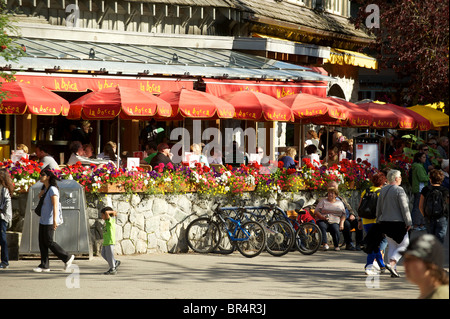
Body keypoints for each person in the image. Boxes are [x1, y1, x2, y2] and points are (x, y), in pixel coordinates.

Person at [33, 169, 75, 273]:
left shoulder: (53, 189)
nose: (40, 176)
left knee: (49, 241)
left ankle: (67, 257)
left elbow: (55, 205)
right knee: (42, 242)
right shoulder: (46, 189)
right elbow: (40, 197)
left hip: (50, 220)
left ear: (48, 177)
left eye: (42, 175)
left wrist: (55, 220)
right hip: (43, 219)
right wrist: (42, 193)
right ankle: (44, 265)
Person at [375, 169, 412, 277]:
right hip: (397, 222)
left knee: (392, 245)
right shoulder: (399, 190)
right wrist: (409, 222)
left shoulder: (383, 190)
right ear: (396, 178)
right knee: (405, 245)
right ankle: (392, 263)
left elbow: (379, 208)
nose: (401, 179)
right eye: (400, 177)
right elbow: (404, 208)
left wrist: (378, 220)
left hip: (385, 222)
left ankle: (393, 270)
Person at [359, 172, 388, 275]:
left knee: (374, 244)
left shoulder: (366, 191)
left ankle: (381, 265)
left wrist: (359, 220)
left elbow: (360, 206)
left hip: (366, 220)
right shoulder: (382, 192)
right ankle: (369, 266)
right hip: (376, 221)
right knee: (374, 244)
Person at [402, 234, 449, 299]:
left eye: (411, 259)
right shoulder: (429, 294)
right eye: (406, 259)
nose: (404, 263)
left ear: (431, 265)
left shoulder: (439, 296)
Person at [419, 169, 449, 243]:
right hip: (442, 217)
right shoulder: (445, 190)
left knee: (430, 240)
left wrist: (425, 215)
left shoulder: (425, 189)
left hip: (429, 217)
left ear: (430, 179)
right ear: (441, 179)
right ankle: (438, 253)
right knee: (440, 240)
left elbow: (420, 206)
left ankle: (431, 254)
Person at [314, 186, 346, 251]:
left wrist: (342, 223)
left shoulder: (340, 203)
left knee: (335, 229)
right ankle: (325, 244)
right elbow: (316, 211)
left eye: (332, 193)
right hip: (323, 219)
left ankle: (336, 245)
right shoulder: (323, 201)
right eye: (329, 193)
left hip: (335, 220)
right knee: (322, 226)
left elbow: (343, 214)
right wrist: (322, 217)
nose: (330, 194)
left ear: (336, 195)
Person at [411, 152, 429, 231]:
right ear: (419, 158)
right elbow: (422, 178)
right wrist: (429, 175)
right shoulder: (418, 167)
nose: (425, 159)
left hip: (419, 188)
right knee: (419, 207)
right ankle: (416, 224)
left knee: (419, 206)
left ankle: (420, 224)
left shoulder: (418, 166)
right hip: (420, 189)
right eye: (423, 157)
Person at [100, 206, 121, 275]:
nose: (102, 216)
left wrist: (113, 212)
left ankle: (113, 269)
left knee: (109, 256)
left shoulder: (110, 220)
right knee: (103, 254)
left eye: (102, 215)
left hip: (110, 241)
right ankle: (114, 262)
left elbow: (106, 212)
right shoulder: (106, 221)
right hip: (106, 241)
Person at [0, 169, 14, 269]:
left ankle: (5, 261)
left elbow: (6, 204)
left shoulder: (4, 189)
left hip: (2, 217)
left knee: (3, 239)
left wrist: (6, 216)